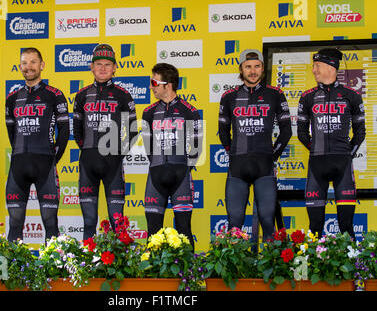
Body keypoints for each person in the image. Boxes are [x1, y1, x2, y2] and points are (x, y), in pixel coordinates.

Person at [218, 49, 292, 241]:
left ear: (262, 69)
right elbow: (223, 132)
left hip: (264, 166)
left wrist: (272, 155)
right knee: (234, 223)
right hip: (237, 167)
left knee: (268, 221)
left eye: (257, 66)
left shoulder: (275, 94)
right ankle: (238, 271)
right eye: (248, 66)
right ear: (241, 69)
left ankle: (271, 268)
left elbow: (286, 131)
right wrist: (232, 153)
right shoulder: (229, 97)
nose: (253, 71)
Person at [297, 48, 366, 239]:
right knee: (315, 227)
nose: (313, 70)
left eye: (317, 66)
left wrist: (346, 153)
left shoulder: (352, 95)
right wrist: (316, 150)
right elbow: (301, 133)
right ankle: (312, 268)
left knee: (346, 226)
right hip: (316, 165)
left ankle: (353, 268)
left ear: (330, 67)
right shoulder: (307, 97)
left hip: (342, 165)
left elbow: (360, 132)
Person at [73, 44, 138, 240]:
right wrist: (87, 148)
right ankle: (86, 268)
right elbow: (76, 130)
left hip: (113, 164)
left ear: (114, 68)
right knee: (89, 221)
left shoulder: (123, 95)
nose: (103, 68)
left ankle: (120, 267)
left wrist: (119, 152)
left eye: (107, 64)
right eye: (98, 64)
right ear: (91, 67)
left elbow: (133, 129)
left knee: (118, 223)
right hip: (88, 163)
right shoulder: (82, 95)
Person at [5, 47, 69, 243]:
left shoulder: (54, 95)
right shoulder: (12, 98)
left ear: (42, 65)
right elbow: (11, 134)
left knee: (50, 222)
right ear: (20, 66)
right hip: (18, 165)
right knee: (15, 223)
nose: (28, 67)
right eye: (24, 63)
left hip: (45, 164)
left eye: (33, 62)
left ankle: (54, 270)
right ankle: (12, 270)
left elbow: (64, 132)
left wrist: (52, 157)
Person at [142, 63, 202, 249]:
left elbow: (197, 147)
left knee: (184, 229)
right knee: (153, 232)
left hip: (181, 177)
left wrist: (184, 169)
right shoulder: (148, 112)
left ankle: (190, 277)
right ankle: (152, 276)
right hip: (155, 176)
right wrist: (159, 166)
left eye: (154, 82)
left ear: (167, 85)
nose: (150, 86)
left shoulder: (189, 111)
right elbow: (148, 147)